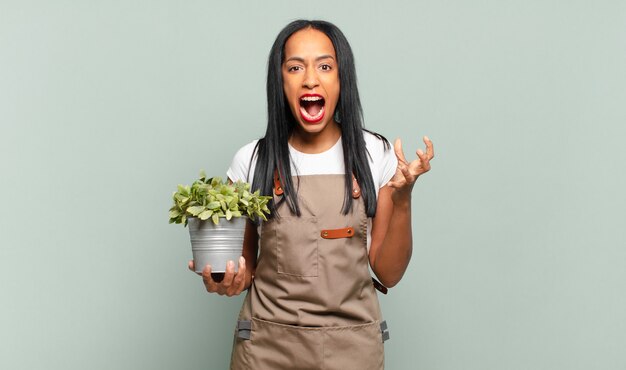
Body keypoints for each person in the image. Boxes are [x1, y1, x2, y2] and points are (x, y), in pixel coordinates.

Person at [188, 19, 434, 369]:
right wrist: (223, 279)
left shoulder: (373, 154)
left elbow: (388, 272)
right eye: (295, 67)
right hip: (265, 350)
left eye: (324, 66)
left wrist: (404, 196)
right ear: (281, 81)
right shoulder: (253, 160)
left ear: (340, 79)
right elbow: (244, 271)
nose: (310, 78)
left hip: (353, 350)